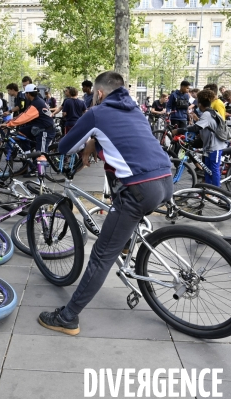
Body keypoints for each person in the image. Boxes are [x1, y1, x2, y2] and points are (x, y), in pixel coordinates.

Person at [37, 71, 173, 335]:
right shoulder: (135, 109)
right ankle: (123, 244)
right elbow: (124, 143)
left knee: (100, 256)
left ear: (98, 93)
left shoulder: (97, 112)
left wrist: (86, 140)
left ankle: (68, 318)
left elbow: (66, 146)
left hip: (139, 189)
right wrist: (95, 143)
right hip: (165, 180)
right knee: (118, 206)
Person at [173, 89, 227, 187]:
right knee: (207, 169)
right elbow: (203, 127)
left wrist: (179, 130)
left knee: (214, 169)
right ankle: (208, 189)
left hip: (215, 146)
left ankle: (217, 192)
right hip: (209, 145)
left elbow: (195, 127)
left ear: (201, 104)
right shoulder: (209, 112)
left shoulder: (207, 114)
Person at [0, 83, 55, 173]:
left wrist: (9, 124)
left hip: (45, 130)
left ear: (28, 94)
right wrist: (10, 121)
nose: (25, 95)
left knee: (41, 155)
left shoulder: (36, 103)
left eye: (26, 93)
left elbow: (25, 117)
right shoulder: (35, 101)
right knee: (21, 132)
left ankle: (41, 177)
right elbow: (24, 114)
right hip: (37, 127)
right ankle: (28, 154)